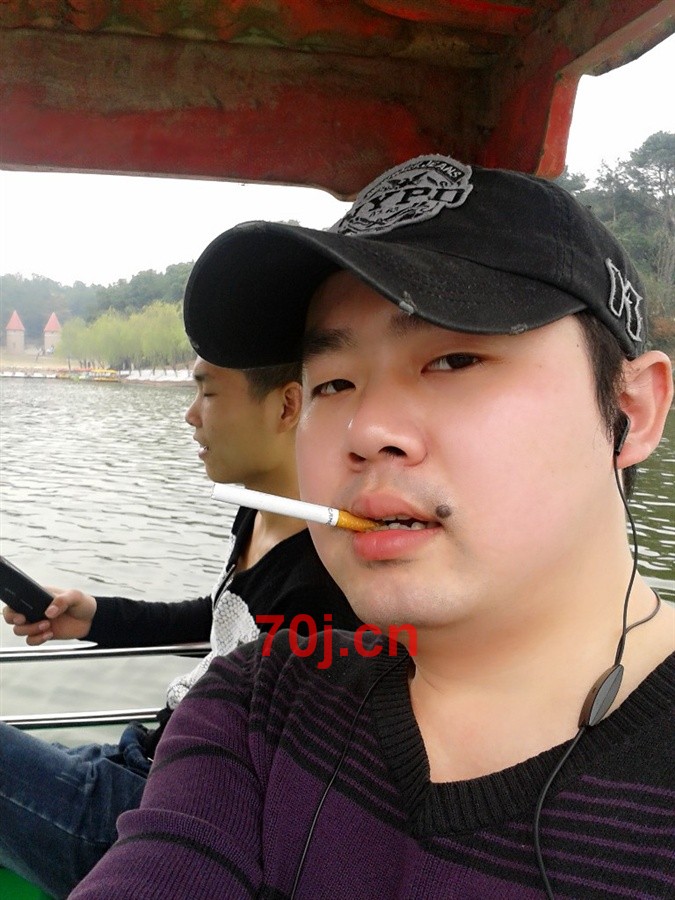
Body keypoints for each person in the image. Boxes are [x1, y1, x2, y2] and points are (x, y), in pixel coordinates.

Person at [71, 156, 674, 900]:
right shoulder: (260, 704)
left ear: (630, 410)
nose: (364, 431)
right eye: (333, 383)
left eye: (453, 359)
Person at [0, 358, 359, 899]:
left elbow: (277, 798)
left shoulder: (324, 586)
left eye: (207, 394)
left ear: (287, 406)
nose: (190, 415)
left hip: (157, 814)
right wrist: (93, 615)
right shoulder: (258, 513)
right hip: (143, 755)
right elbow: (219, 615)